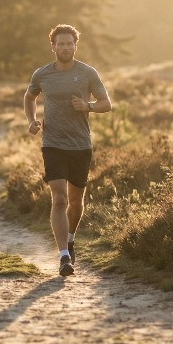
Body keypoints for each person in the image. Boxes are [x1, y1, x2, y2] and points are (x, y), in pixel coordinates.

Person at [23, 24, 112, 276]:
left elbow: (107, 104)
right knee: (59, 199)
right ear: (53, 47)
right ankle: (63, 256)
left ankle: (70, 238)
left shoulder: (87, 73)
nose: (65, 47)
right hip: (52, 143)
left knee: (76, 201)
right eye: (60, 43)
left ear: (75, 46)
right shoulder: (42, 74)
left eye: (69, 43)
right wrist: (32, 120)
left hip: (81, 145)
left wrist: (88, 106)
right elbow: (29, 98)